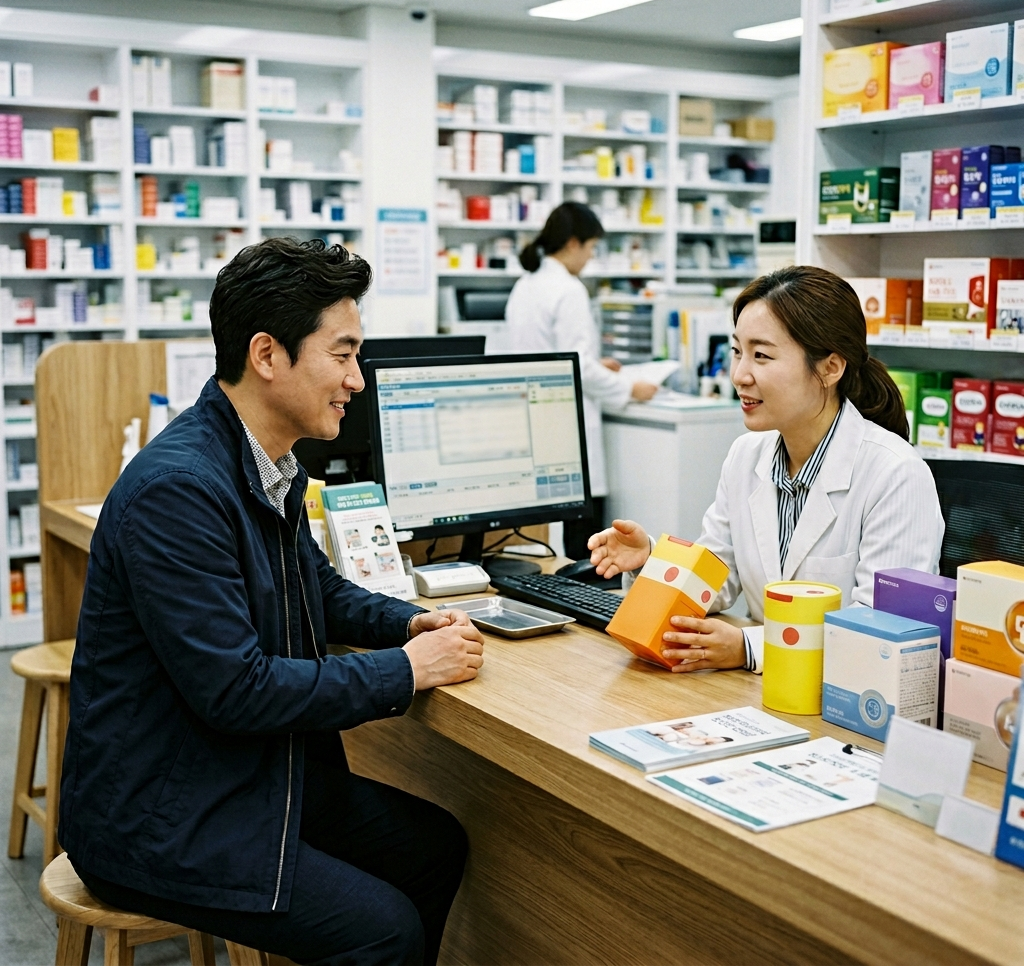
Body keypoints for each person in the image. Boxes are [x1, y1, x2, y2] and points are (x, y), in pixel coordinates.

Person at [59, 237, 485, 966]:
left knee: (433, 847)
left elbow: (311, 585)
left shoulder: (263, 460)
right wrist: (406, 670)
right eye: (343, 354)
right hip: (161, 815)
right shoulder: (179, 490)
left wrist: (407, 620)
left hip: (240, 776)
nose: (357, 379)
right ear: (266, 354)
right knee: (382, 930)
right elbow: (237, 691)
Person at [588, 265, 945, 674]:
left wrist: (748, 647)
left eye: (762, 355)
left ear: (830, 368)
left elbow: (880, 635)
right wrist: (650, 559)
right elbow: (716, 576)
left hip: (851, 707)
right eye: (738, 351)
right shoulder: (746, 456)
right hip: (765, 697)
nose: (740, 375)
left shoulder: (896, 475)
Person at [504, 202, 658, 560]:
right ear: (573, 243)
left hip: (533, 416)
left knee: (547, 532)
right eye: (590, 248)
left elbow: (550, 355)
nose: (590, 258)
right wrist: (629, 388)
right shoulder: (568, 289)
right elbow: (579, 368)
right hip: (565, 419)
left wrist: (593, 363)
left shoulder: (526, 285)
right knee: (580, 539)